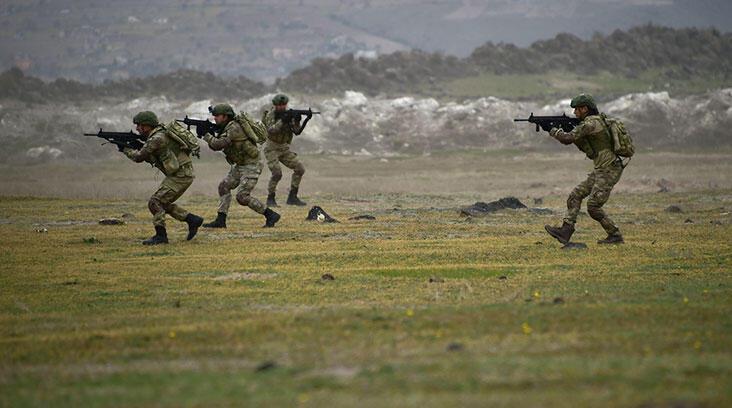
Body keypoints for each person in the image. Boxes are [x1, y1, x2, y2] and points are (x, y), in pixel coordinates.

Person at [544, 94, 625, 244]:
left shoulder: (591, 124)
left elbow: (567, 139)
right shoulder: (594, 121)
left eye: (577, 110)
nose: (574, 113)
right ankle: (566, 231)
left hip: (609, 169)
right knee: (575, 195)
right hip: (602, 168)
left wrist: (552, 130)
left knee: (593, 206)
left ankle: (615, 235)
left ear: (585, 109)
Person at [123, 111, 203, 245]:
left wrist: (125, 149)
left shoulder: (157, 138)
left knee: (155, 202)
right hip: (181, 174)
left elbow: (139, 157)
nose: (137, 129)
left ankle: (161, 236)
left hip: (181, 175)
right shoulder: (158, 134)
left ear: (147, 126)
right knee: (162, 203)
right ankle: (192, 220)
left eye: (139, 125)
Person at [201, 104, 280, 229]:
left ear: (225, 116)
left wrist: (206, 135)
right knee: (224, 187)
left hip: (252, 165)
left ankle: (270, 215)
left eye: (217, 116)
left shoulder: (234, 128)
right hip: (240, 164)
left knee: (242, 197)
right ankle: (221, 221)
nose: (214, 118)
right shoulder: (226, 127)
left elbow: (218, 145)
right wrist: (209, 133)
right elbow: (215, 145)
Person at [261, 93, 310, 207]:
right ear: (275, 105)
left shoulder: (288, 115)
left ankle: (292, 197)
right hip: (271, 148)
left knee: (300, 169)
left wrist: (298, 120)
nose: (281, 107)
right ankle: (270, 198)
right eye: (279, 105)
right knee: (277, 173)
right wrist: (283, 121)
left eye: (283, 105)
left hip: (284, 148)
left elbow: (296, 131)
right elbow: (271, 130)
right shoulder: (270, 115)